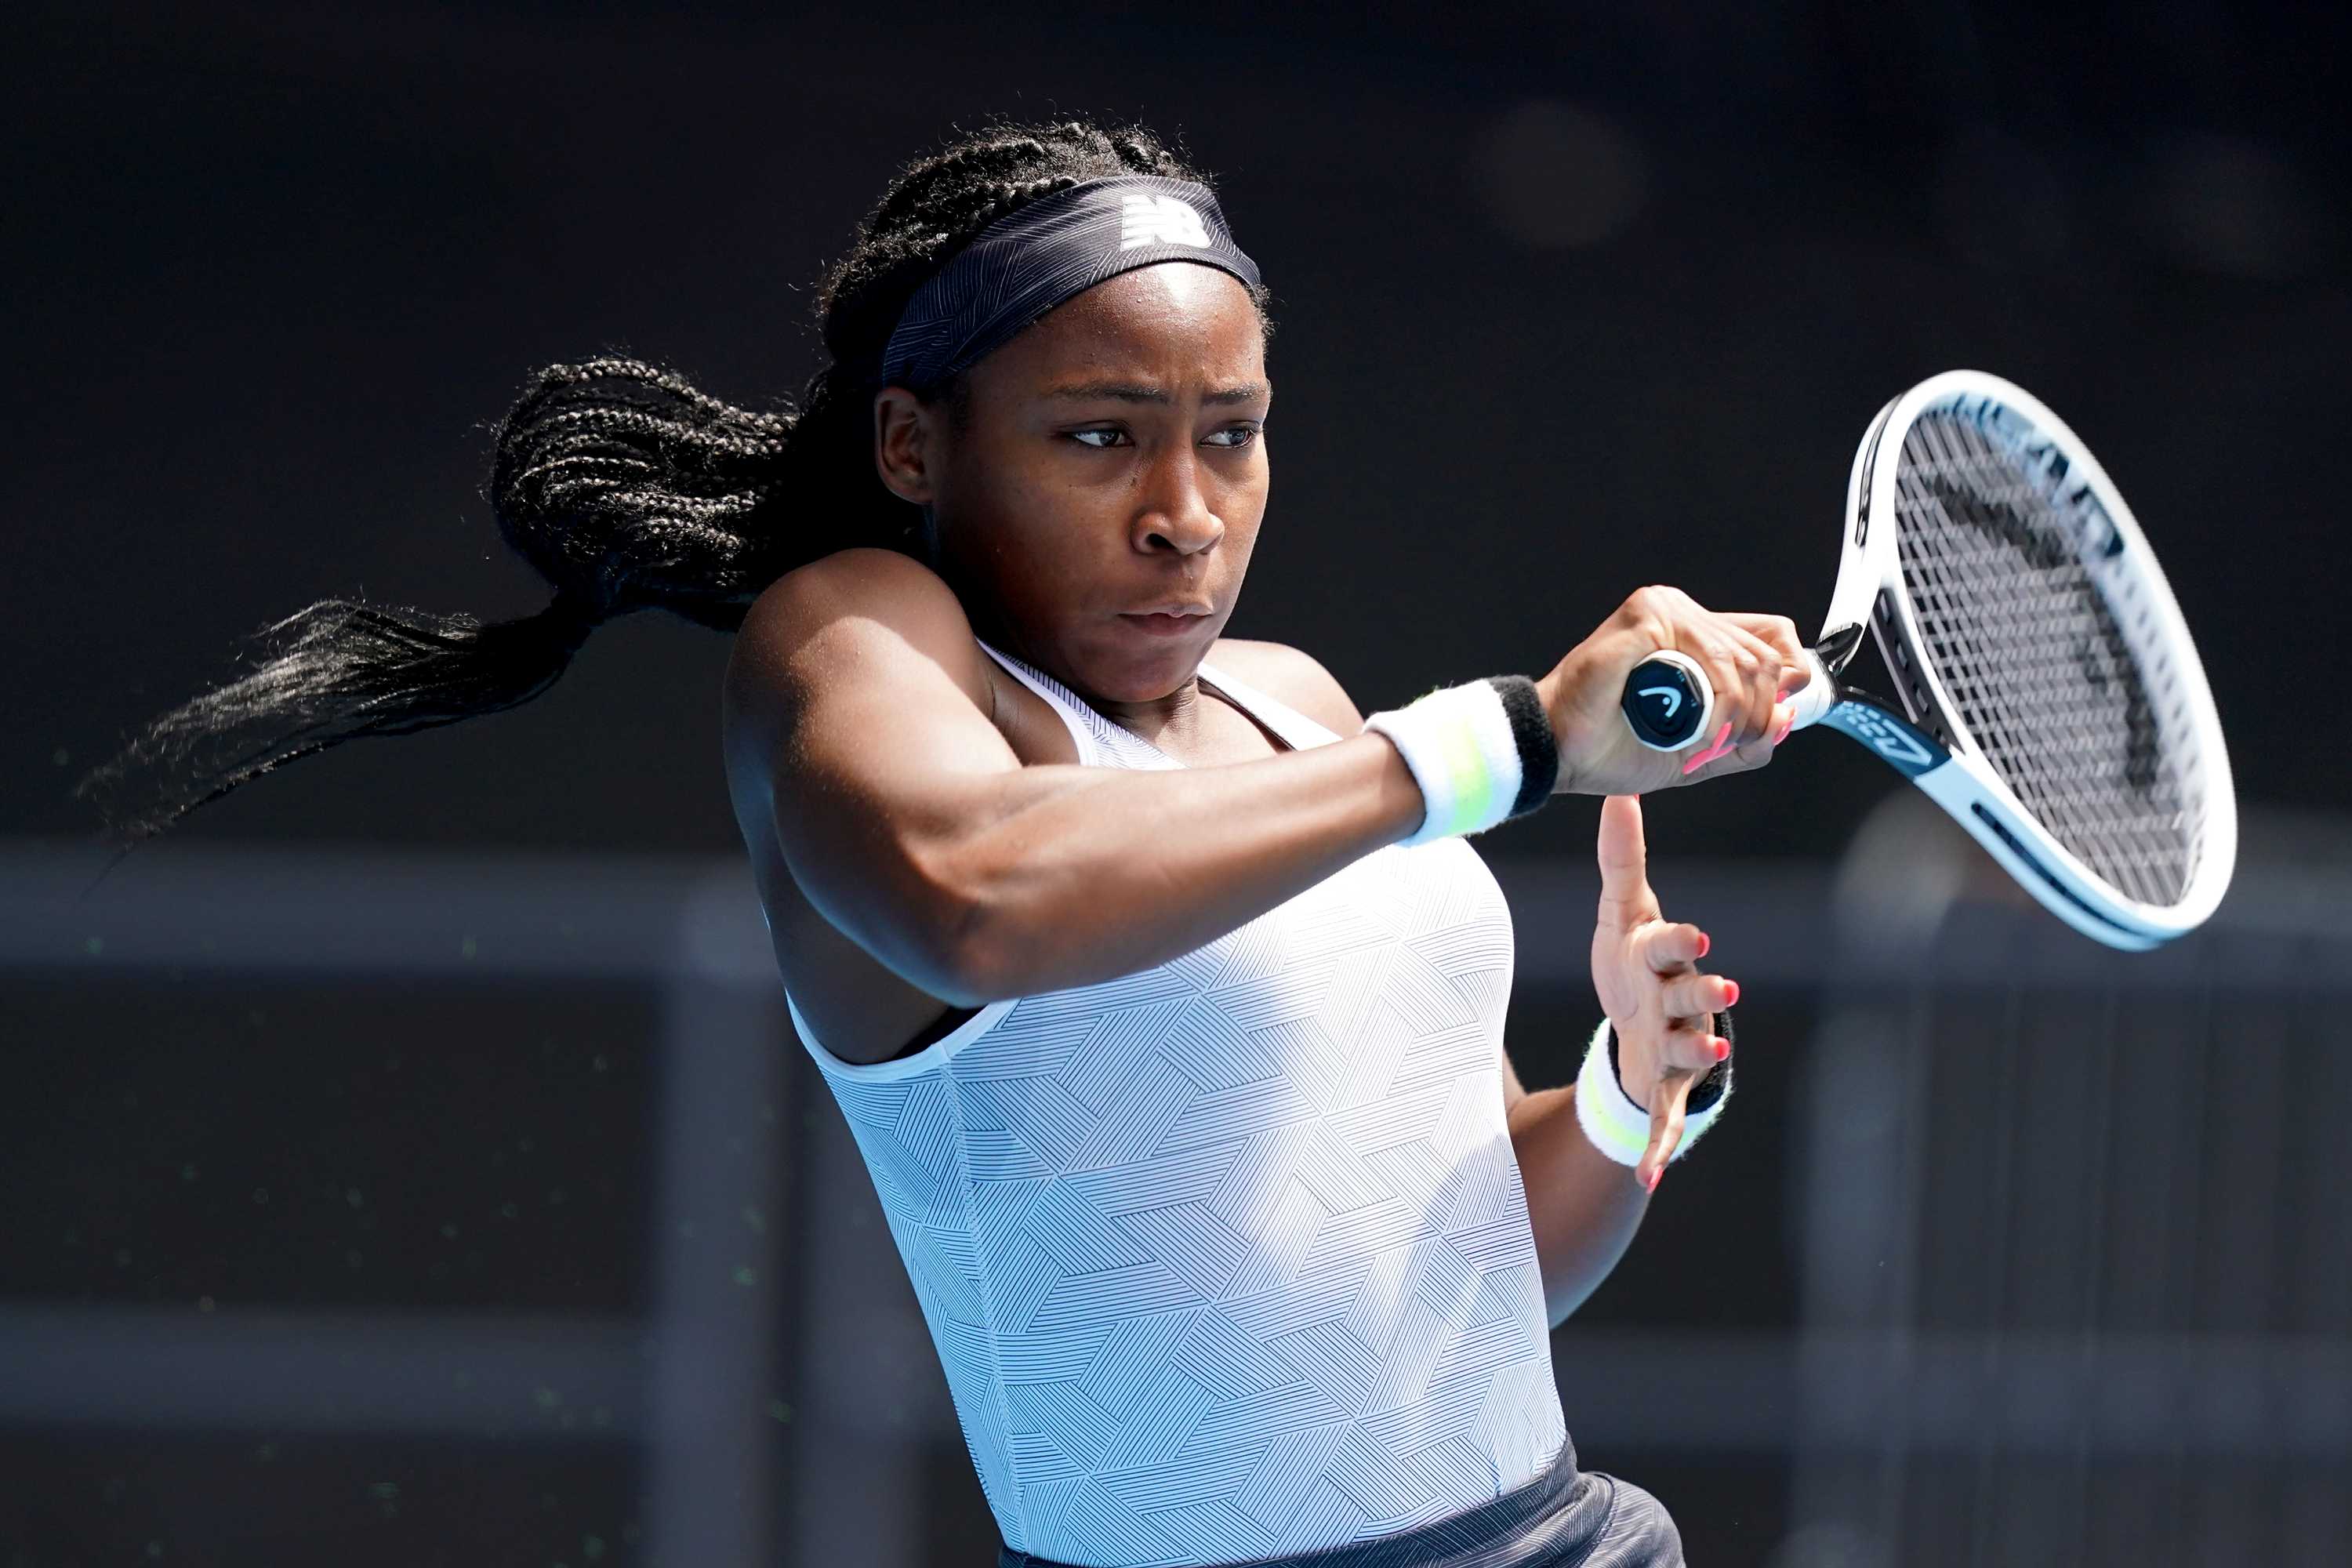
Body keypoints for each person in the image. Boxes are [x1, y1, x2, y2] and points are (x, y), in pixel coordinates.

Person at [81, 117, 1806, 1567]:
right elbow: (979, 893)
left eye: (1232, 435)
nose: (1182, 512)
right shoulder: (852, 639)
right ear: (915, 442)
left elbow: (1467, 1272)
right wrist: (1502, 737)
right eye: (1098, 435)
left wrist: (1612, 1101)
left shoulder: (1297, 706)